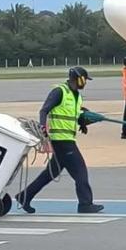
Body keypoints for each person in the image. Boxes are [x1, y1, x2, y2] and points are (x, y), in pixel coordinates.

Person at [16, 67, 104, 214]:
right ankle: (85, 204)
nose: (85, 83)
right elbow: (44, 110)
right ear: (78, 78)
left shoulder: (76, 96)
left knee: (50, 173)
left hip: (67, 139)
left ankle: (24, 196)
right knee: (80, 171)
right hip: (62, 140)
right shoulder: (60, 92)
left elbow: (74, 114)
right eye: (85, 80)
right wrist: (43, 127)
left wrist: (82, 122)